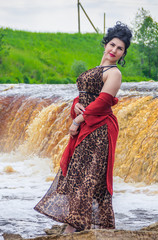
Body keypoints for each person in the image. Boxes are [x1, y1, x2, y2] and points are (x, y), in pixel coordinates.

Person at [34, 21, 133, 234]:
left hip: (98, 131)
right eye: (112, 45)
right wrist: (75, 105)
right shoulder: (99, 69)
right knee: (78, 175)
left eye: (120, 49)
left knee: (87, 177)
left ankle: (73, 228)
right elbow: (86, 97)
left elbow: (103, 101)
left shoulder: (114, 73)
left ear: (123, 53)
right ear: (106, 44)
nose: (114, 50)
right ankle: (79, 226)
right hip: (87, 126)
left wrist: (78, 120)